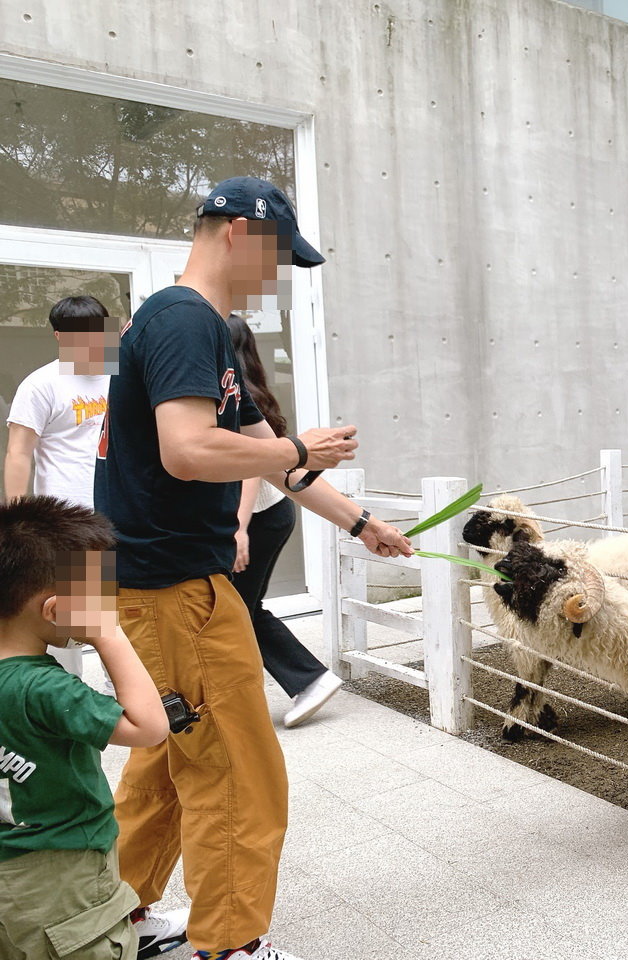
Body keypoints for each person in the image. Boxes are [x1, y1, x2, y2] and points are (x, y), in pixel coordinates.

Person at [95, 176, 413, 960]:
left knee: (170, 763)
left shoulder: (199, 325)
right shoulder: (182, 319)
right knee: (237, 771)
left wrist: (362, 523)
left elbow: (265, 458)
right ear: (237, 232)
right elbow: (192, 449)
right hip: (174, 591)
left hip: (155, 588)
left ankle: (116, 919)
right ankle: (231, 945)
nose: (279, 277)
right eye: (279, 257)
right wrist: (297, 446)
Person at [0, 496, 169, 960]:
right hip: (63, 878)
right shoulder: (43, 687)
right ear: (53, 609)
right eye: (99, 595)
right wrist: (108, 633)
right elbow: (148, 725)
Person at [227, 314, 342, 728]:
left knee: (237, 607)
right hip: (267, 515)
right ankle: (302, 680)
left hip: (258, 515)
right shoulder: (245, 390)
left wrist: (238, 529)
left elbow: (250, 469)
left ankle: (309, 679)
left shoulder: (239, 397)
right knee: (239, 606)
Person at [4, 296, 112, 507]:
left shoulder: (121, 378)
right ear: (60, 337)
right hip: (65, 514)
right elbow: (18, 452)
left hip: (120, 508)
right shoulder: (41, 384)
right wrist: (16, 520)